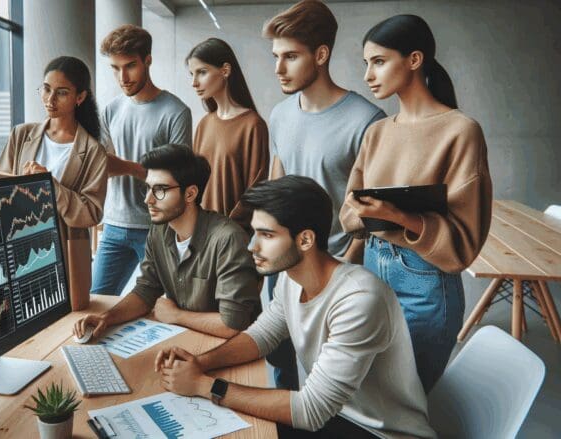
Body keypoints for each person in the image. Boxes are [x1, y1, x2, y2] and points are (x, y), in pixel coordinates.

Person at [154, 176, 435, 439]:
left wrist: (204, 385)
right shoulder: (291, 280)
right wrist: (199, 362)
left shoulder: (359, 299)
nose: (252, 246)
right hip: (335, 418)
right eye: (254, 233)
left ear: (305, 240)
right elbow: (260, 337)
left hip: (378, 432)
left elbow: (310, 411)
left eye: (266, 235)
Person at [340, 14, 492, 392]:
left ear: (414, 60)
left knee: (407, 404)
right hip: (372, 269)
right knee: (369, 398)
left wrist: (398, 215)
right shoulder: (376, 132)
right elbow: (348, 212)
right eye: (366, 64)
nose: (367, 75)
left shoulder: (460, 131)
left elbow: (464, 243)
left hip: (424, 283)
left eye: (378, 61)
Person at [262, 0, 386, 394]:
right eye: (276, 57)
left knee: (331, 391)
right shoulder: (279, 115)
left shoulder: (367, 122)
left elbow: (372, 219)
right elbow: (275, 193)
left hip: (335, 275)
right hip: (282, 271)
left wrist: (340, 278)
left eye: (291, 57)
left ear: (320, 54)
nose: (279, 68)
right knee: (282, 375)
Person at [74, 144, 260, 340]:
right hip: (185, 340)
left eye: (160, 190)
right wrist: (106, 318)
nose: (148, 200)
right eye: (148, 188)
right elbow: (146, 290)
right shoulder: (160, 230)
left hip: (234, 352)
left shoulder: (228, 239)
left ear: (190, 194)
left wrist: (176, 316)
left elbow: (233, 324)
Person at [0, 56, 107, 311]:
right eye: (46, 89)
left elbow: (91, 213)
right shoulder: (21, 135)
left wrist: (49, 185)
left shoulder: (92, 151)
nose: (50, 99)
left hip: (64, 255)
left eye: (61, 93)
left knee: (60, 323)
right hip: (18, 248)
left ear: (79, 97)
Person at [92, 24, 193, 297]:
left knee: (167, 307)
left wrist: (125, 167)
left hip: (158, 228)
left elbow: (178, 179)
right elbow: (100, 165)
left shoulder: (176, 112)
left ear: (148, 60)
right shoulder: (112, 110)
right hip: (114, 226)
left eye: (130, 66)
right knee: (95, 301)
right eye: (115, 68)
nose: (122, 76)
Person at [187, 38, 269, 233]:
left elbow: (256, 188)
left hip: (234, 235)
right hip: (201, 233)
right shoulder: (204, 124)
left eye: (202, 72)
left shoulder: (253, 125)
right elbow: (193, 181)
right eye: (192, 74)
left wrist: (228, 230)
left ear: (225, 70)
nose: (194, 82)